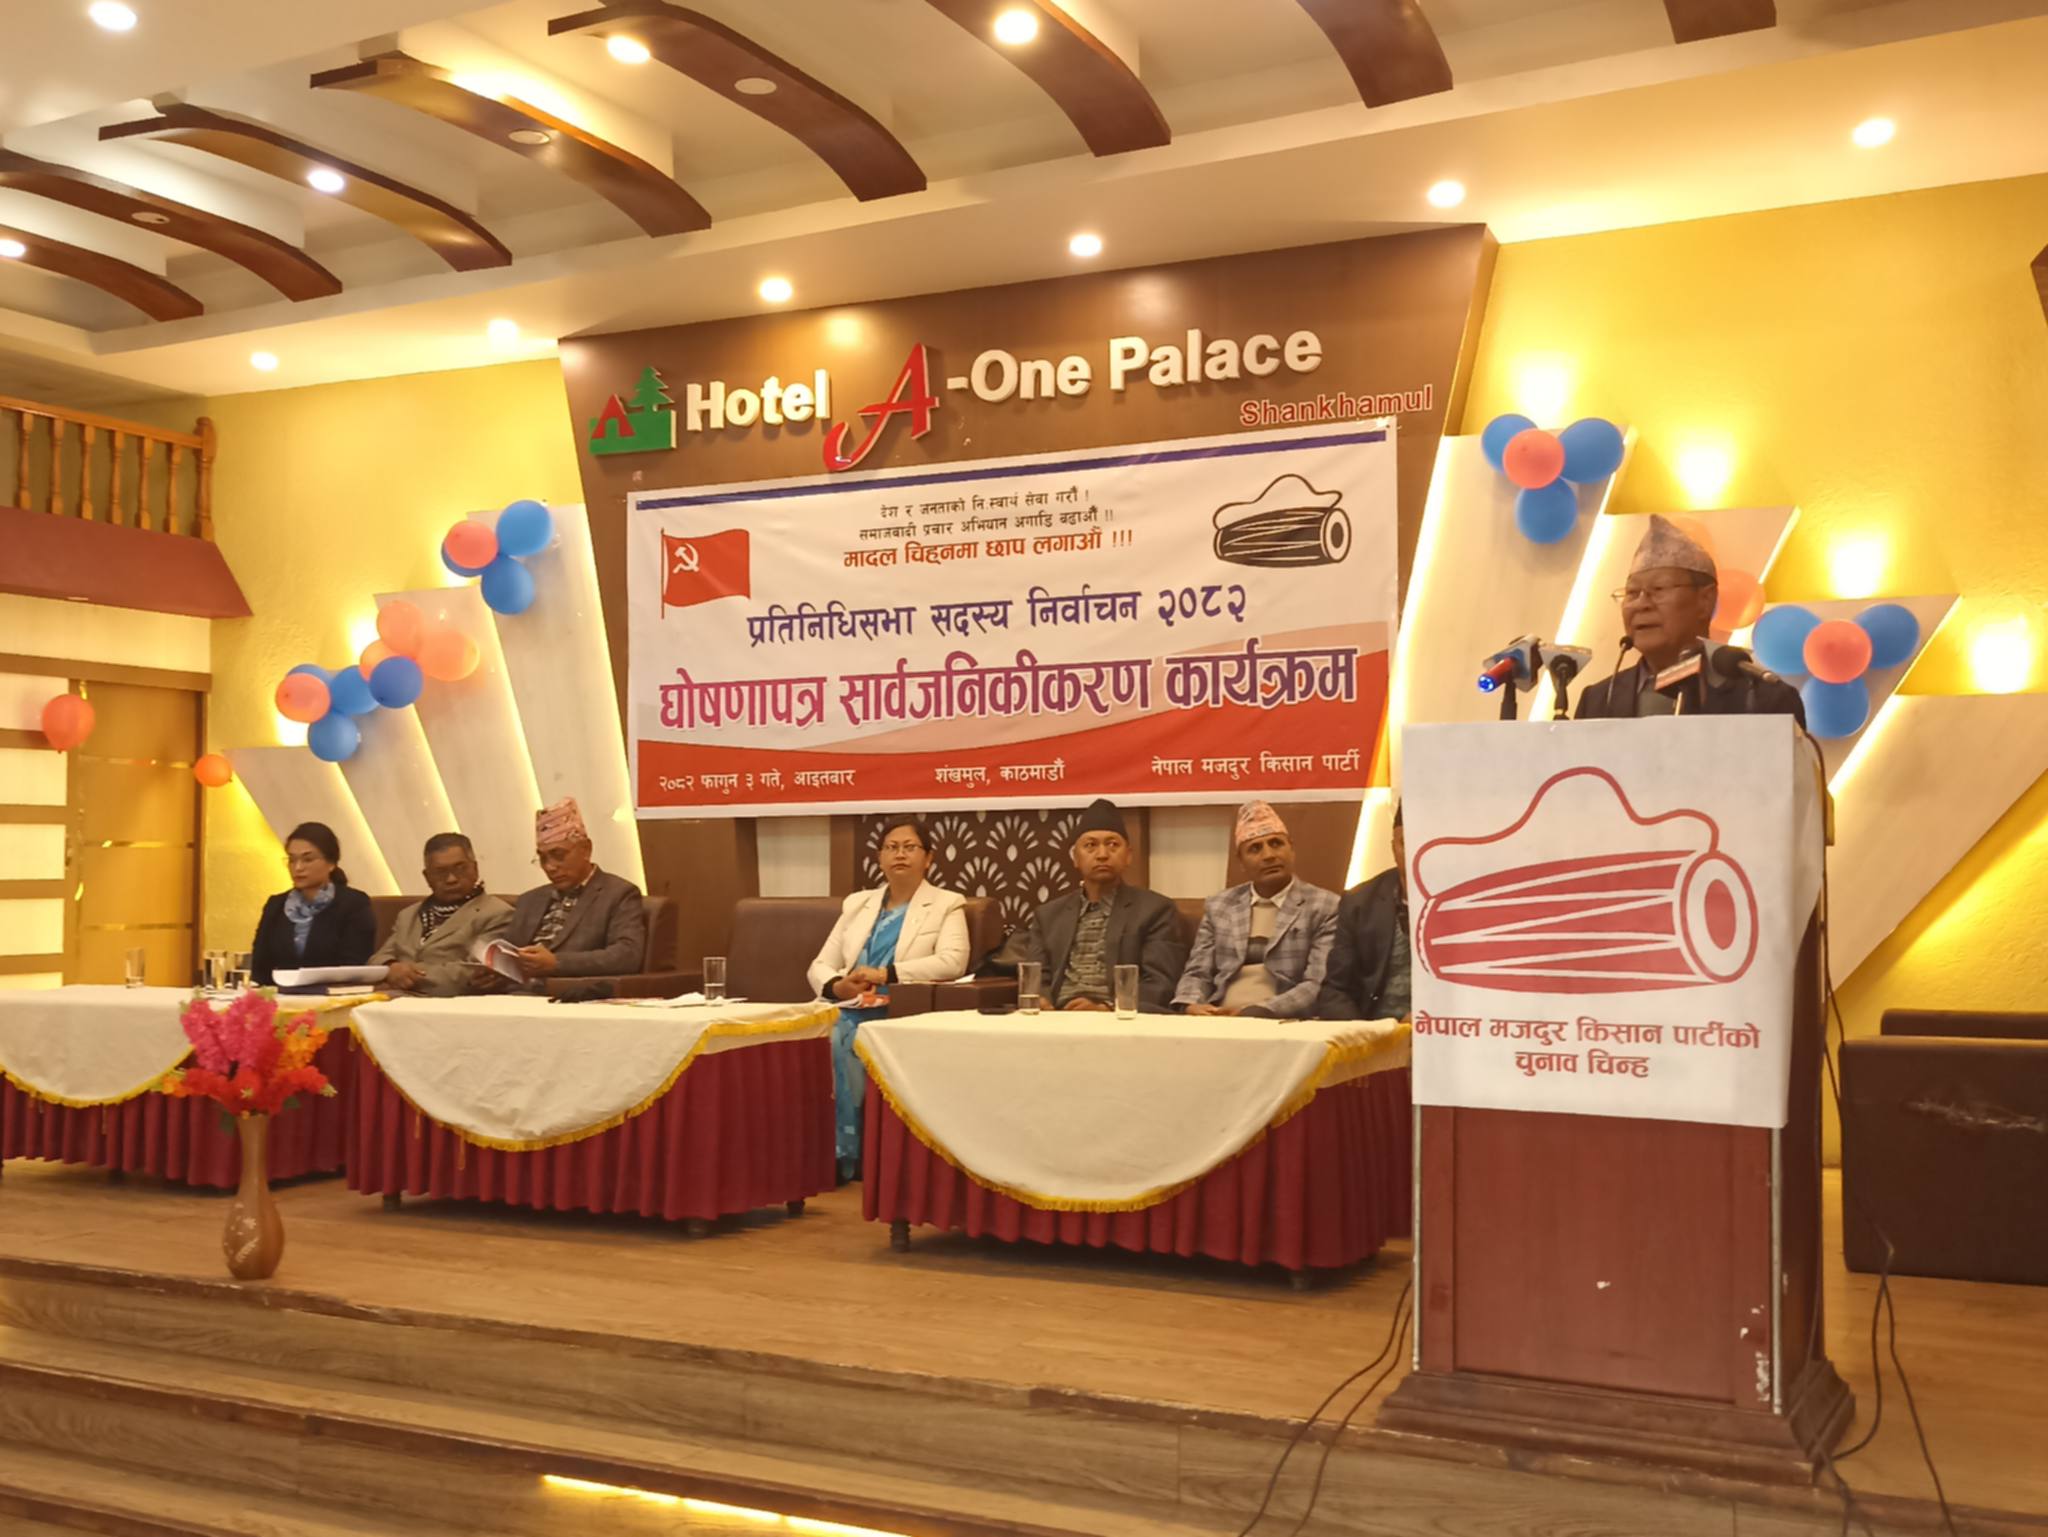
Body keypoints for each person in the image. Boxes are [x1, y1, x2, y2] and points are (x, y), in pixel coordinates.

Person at [806, 817, 972, 1181]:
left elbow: (952, 961)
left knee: (841, 1036)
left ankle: (845, 1154)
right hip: (847, 1003)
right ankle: (813, 1152)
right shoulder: (858, 904)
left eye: (910, 847)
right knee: (810, 1033)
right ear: (880, 857)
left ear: (928, 858)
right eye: (891, 848)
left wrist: (886, 975)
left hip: (899, 1008)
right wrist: (838, 986)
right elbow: (820, 964)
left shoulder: (947, 903)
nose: (900, 855)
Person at [1575, 515, 1806, 723]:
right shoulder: (1597, 701)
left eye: (1659, 589)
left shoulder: (1762, 696)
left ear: (1706, 600)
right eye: (1632, 593)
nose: (1641, 604)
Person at [1013, 798, 1187, 1013]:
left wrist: (1106, 1007)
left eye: (1113, 845)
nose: (1102, 854)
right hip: (1058, 1016)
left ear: (1128, 856)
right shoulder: (1048, 915)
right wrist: (1042, 1001)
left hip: (1119, 1018)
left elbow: (1160, 983)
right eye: (1090, 846)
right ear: (1075, 857)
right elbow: (1038, 978)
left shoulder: (1155, 910)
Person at [1174, 801, 1340, 1018]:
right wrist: (1191, 1004)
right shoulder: (1220, 905)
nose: (1268, 855)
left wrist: (1259, 1010)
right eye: (1255, 848)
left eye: (1276, 843)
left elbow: (1317, 984)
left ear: (1292, 849)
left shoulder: (1324, 905)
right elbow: (1197, 972)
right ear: (1241, 862)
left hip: (1283, 1018)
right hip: (1219, 1015)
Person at [482, 797, 647, 993]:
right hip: (512, 993)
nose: (550, 867)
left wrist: (557, 963)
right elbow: (509, 952)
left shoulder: (618, 894)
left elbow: (627, 956)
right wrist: (492, 971)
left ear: (586, 849)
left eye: (558, 855)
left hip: (569, 994)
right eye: (543, 859)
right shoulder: (530, 900)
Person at [371, 832, 512, 997]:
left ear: (475, 869)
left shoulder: (498, 913)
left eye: (460, 868)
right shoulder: (408, 915)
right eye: (440, 872)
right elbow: (378, 959)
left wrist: (404, 976)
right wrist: (391, 967)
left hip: (450, 1003)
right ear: (427, 877)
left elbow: (472, 974)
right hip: (391, 999)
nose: (451, 879)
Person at [249, 821, 376, 986]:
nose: (298, 868)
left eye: (307, 859)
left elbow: (353, 967)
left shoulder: (354, 904)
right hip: (280, 994)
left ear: (331, 863)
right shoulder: (276, 905)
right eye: (292, 860)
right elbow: (260, 968)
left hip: (334, 994)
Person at [1317, 804, 1412, 1021]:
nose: (1415, 853)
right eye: (1406, 843)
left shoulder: (1470, 901)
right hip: (1376, 1031)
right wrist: (1364, 1033)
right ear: (1393, 848)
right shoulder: (1360, 902)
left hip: (1448, 1031)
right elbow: (1335, 991)